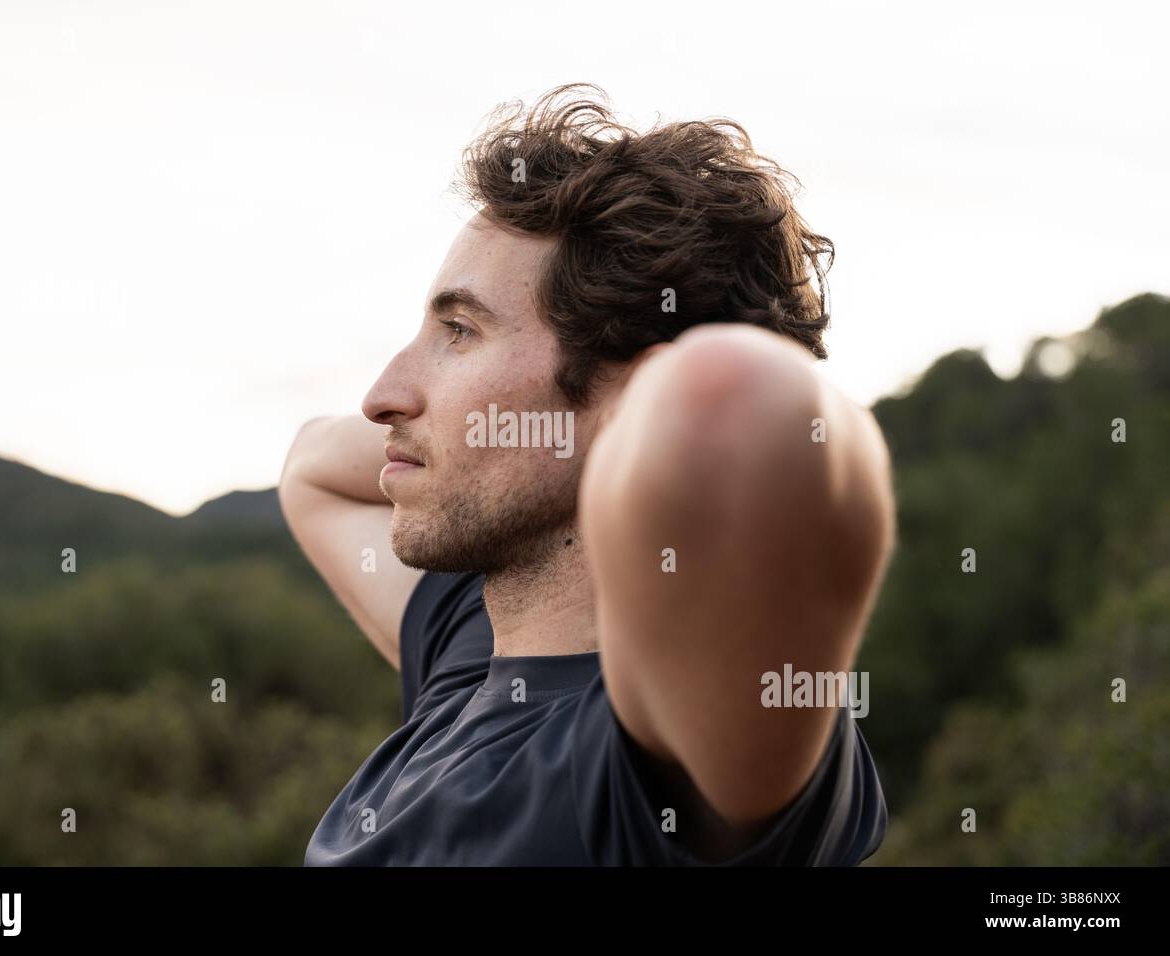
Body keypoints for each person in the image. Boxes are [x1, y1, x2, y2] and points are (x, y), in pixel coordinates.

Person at [280, 84, 895, 865]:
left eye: (459, 332)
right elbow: (311, 469)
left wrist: (627, 428)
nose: (383, 396)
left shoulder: (659, 756)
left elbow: (758, 411)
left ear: (641, 400)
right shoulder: (472, 651)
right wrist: (525, 436)